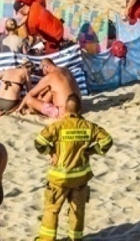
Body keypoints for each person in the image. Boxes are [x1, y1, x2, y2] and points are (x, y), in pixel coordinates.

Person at [33, 94, 113, 241]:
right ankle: (75, 238)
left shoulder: (58, 126)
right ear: (80, 109)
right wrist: (93, 151)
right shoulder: (89, 127)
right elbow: (107, 141)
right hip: (80, 178)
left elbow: (39, 142)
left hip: (59, 178)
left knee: (52, 209)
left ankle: (47, 239)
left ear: (65, 109)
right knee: (77, 210)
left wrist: (51, 152)